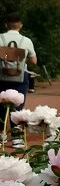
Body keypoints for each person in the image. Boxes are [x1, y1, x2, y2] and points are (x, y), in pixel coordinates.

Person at [0, 12, 37, 147]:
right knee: (18, 106)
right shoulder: (26, 41)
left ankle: (1, 134)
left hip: (1, 77)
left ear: (6, 25)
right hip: (19, 78)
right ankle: (17, 138)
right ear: (20, 25)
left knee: (1, 105)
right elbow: (33, 61)